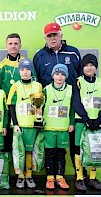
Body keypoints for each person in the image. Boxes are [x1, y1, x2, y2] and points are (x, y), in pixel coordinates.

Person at [33, 22, 81, 174]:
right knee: (50, 147)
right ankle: (50, 177)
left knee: (73, 143)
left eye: (55, 34)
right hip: (49, 110)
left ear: (61, 35)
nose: (52, 38)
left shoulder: (73, 53)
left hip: (70, 104)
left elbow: (80, 78)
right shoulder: (40, 55)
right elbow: (37, 84)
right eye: (49, 36)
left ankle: (80, 176)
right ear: (45, 38)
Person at [0, 33, 36, 153]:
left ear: (20, 45)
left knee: (25, 142)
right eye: (10, 43)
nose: (13, 46)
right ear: (6, 46)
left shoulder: (27, 64)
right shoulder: (0, 66)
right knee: (6, 139)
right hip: (7, 109)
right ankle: (8, 168)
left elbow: (35, 83)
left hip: (24, 109)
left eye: (16, 43)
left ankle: (24, 168)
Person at [72, 54, 101, 191]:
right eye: (86, 65)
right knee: (78, 148)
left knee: (95, 149)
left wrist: (100, 119)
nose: (89, 67)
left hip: (96, 122)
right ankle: (80, 177)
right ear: (82, 67)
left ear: (96, 67)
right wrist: (85, 117)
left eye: (92, 65)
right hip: (82, 121)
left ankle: (92, 177)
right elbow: (76, 101)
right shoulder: (78, 81)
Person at [7, 58, 42, 189]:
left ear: (31, 71)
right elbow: (11, 106)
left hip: (32, 125)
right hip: (19, 126)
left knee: (29, 151)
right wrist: (15, 124)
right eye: (22, 69)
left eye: (27, 69)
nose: (25, 72)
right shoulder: (15, 86)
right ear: (19, 71)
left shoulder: (37, 86)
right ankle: (20, 176)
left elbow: (40, 106)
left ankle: (29, 175)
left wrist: (39, 120)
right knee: (18, 151)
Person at [42, 64, 74, 190]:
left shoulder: (71, 89)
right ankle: (50, 178)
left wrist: (71, 123)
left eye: (62, 74)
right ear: (53, 76)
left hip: (63, 128)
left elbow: (72, 109)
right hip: (49, 128)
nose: (59, 77)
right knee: (49, 153)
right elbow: (40, 107)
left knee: (61, 153)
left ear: (66, 76)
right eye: (57, 74)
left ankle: (60, 177)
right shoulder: (46, 89)